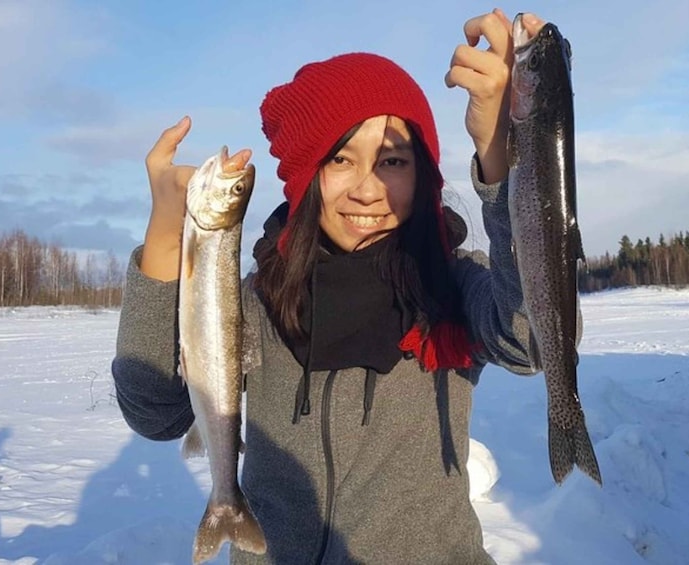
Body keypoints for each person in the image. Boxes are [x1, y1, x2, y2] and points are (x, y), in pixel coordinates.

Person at [114, 9, 548, 565]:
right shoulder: (255, 303)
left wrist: (503, 159)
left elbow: (533, 339)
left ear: (423, 173)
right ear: (305, 175)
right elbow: (156, 414)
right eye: (340, 159)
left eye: (392, 160)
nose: (367, 190)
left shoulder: (451, 287)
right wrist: (166, 238)